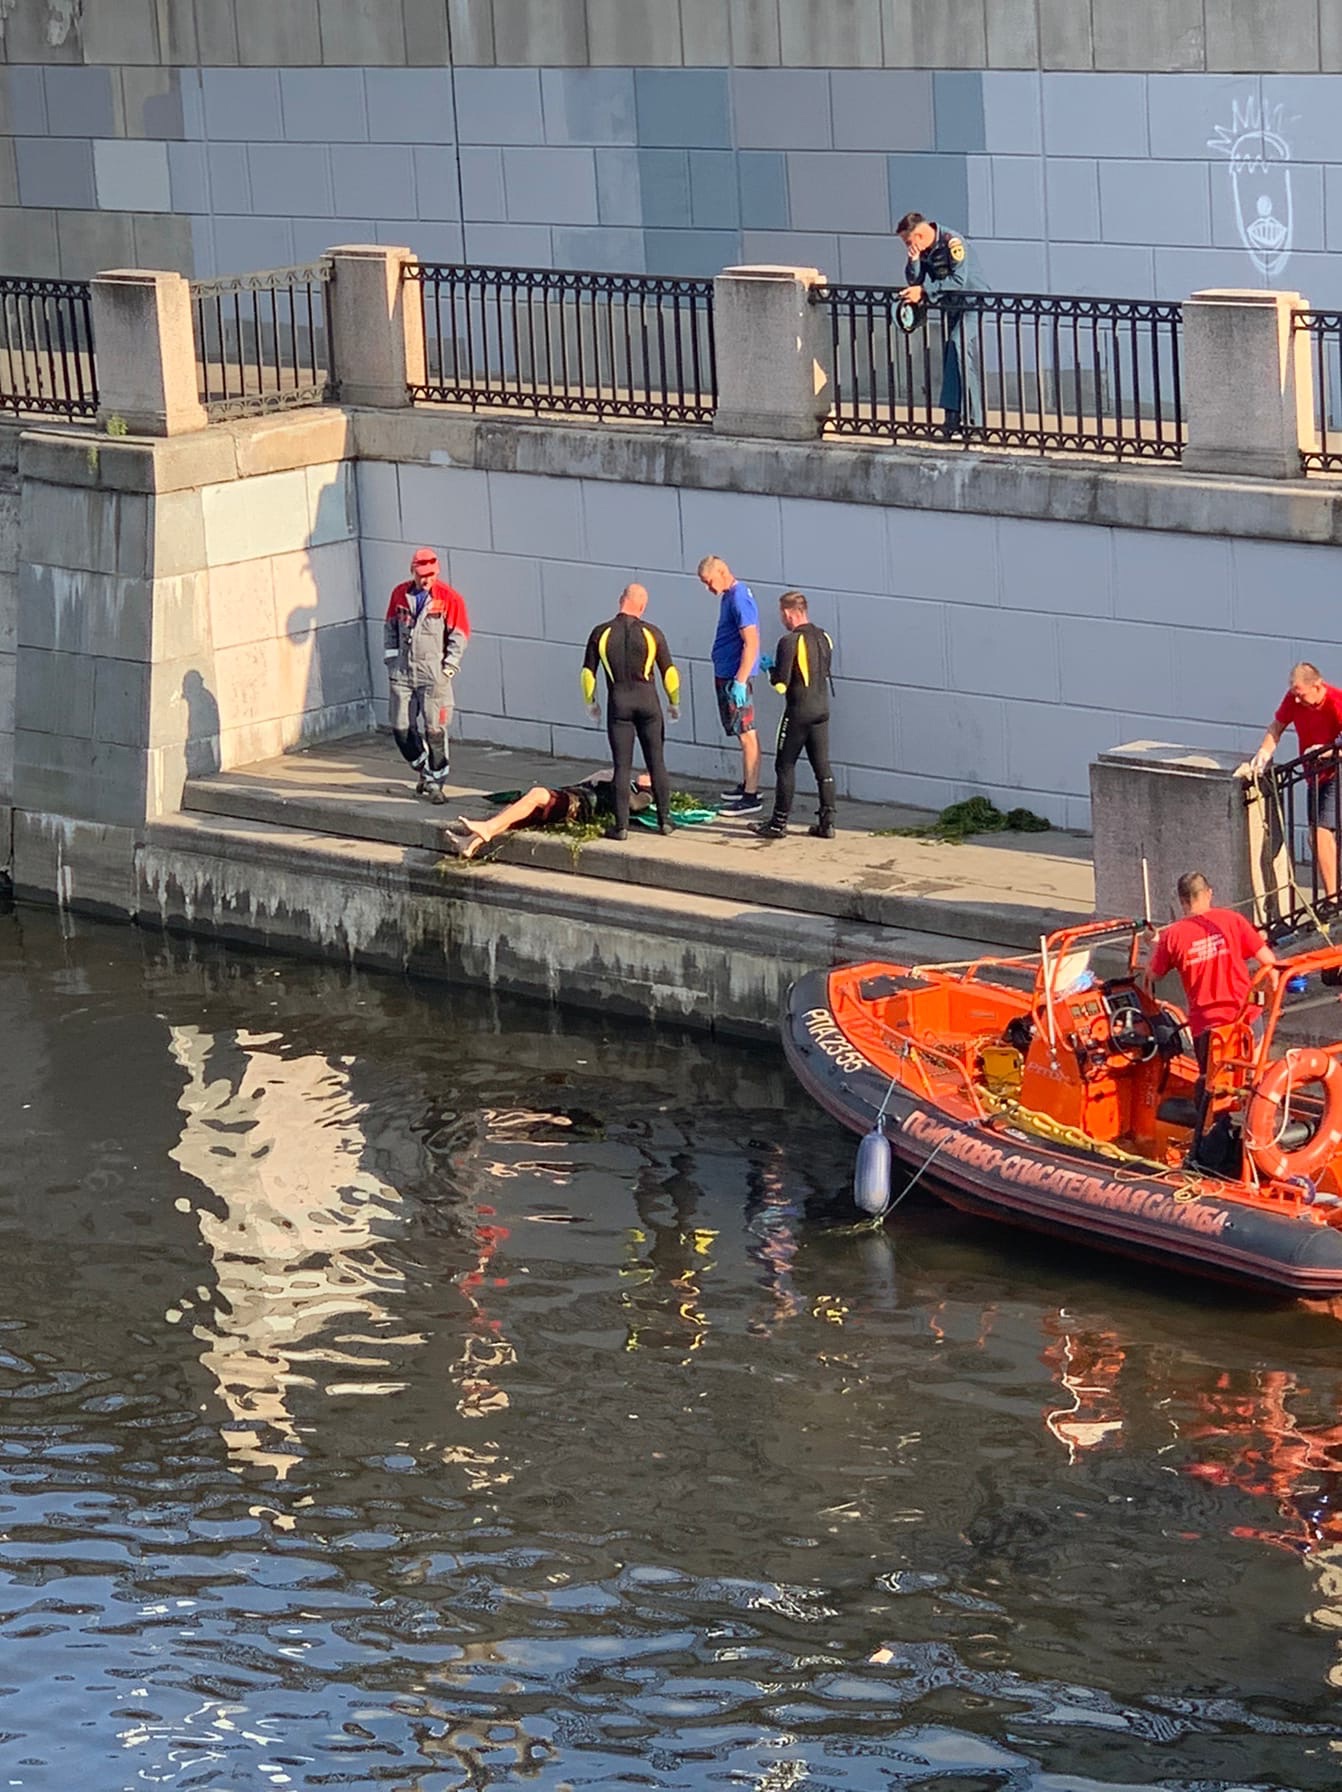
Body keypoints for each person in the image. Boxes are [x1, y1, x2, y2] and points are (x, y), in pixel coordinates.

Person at [1142, 872, 1278, 1153]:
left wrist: (1152, 946)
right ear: (1209, 893)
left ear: (1181, 901)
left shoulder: (1173, 936)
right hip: (1247, 1018)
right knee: (1256, 1078)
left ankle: (1214, 1148)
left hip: (1209, 1027)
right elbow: (1269, 962)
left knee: (1214, 1087)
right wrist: (1270, 1000)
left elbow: (1152, 976)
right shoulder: (1234, 921)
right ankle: (1262, 1141)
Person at [580, 583, 680, 840]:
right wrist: (674, 702)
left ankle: (621, 826)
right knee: (656, 761)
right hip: (649, 704)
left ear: (620, 600)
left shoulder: (601, 633)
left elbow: (588, 674)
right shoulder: (652, 633)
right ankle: (665, 820)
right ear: (643, 606)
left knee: (621, 766)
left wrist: (591, 703)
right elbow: (669, 673)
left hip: (619, 704)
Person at [1247, 661, 1342, 900]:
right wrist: (1264, 753)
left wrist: (1328, 751)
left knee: (1321, 833)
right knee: (1315, 838)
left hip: (1335, 771)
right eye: (1295, 695)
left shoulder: (1335, 701)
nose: (1297, 701)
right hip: (1314, 774)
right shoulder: (1293, 699)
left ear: (1318, 686)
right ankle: (1335, 893)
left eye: (1302, 695)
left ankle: (1332, 900)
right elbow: (1276, 728)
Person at [384, 548, 470, 804]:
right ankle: (424, 768)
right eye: (422, 575)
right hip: (402, 673)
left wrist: (449, 667)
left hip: (434, 677)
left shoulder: (448, 598)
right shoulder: (400, 594)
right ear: (413, 571)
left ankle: (436, 782)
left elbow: (460, 634)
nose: (426, 580)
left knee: (435, 730)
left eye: (430, 575)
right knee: (401, 728)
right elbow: (390, 628)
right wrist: (391, 661)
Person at [754, 591, 837, 840]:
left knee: (784, 764)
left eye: (782, 614)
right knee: (822, 767)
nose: (782, 620)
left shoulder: (789, 641)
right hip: (822, 710)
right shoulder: (825, 637)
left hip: (798, 712)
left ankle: (778, 823)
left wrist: (769, 668)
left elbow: (781, 685)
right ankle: (828, 823)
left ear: (789, 613)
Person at [896, 210, 987, 435]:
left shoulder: (951, 242)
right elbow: (914, 280)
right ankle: (952, 420)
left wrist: (925, 291)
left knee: (959, 348)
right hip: (951, 306)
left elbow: (958, 280)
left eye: (908, 241)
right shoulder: (923, 249)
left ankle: (975, 423)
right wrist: (914, 260)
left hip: (971, 303)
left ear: (918, 234)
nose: (907, 245)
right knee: (952, 357)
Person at [447, 773, 652, 861]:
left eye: (649, 775)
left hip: (578, 806)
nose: (645, 772)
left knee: (537, 794)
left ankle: (485, 829)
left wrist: (619, 782)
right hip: (572, 795)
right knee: (514, 811)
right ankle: (470, 844)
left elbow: (633, 804)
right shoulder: (623, 775)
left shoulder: (640, 793)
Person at [696, 554, 761, 815]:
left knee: (747, 735)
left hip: (734, 677)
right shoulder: (729, 596)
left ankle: (751, 795)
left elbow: (751, 641)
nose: (708, 588)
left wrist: (741, 681)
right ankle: (748, 783)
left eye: (709, 581)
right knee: (741, 733)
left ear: (722, 572)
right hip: (726, 673)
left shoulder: (737, 598)